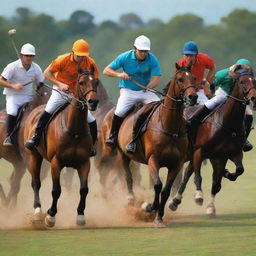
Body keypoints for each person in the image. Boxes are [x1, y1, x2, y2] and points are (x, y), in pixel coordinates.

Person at [24, 39, 99, 156]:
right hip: (60, 92)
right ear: (73, 52)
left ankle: (92, 146)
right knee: (48, 111)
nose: (81, 58)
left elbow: (94, 80)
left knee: (92, 120)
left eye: (84, 56)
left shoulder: (90, 62)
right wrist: (60, 84)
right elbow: (47, 73)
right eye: (79, 55)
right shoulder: (62, 60)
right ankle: (35, 138)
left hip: (78, 95)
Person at [103, 35, 161, 154]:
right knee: (119, 111)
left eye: (146, 51)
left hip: (145, 91)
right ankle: (113, 137)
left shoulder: (152, 59)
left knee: (159, 107)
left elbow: (156, 79)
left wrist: (149, 86)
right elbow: (106, 70)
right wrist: (119, 75)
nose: (144, 54)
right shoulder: (124, 57)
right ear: (134, 48)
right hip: (128, 91)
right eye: (141, 51)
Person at [189, 58, 254, 151]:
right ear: (236, 68)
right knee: (209, 105)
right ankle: (192, 123)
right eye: (241, 71)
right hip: (223, 94)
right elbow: (212, 85)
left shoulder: (248, 75)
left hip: (238, 99)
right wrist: (210, 93)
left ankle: (243, 140)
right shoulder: (223, 74)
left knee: (249, 114)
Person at [0, 43, 44, 146]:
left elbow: (40, 82)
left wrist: (38, 87)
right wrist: (13, 86)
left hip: (28, 97)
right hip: (13, 96)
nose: (29, 58)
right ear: (21, 55)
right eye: (27, 55)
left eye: (31, 56)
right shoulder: (12, 67)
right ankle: (8, 137)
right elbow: (1, 81)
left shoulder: (36, 68)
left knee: (38, 113)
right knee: (13, 111)